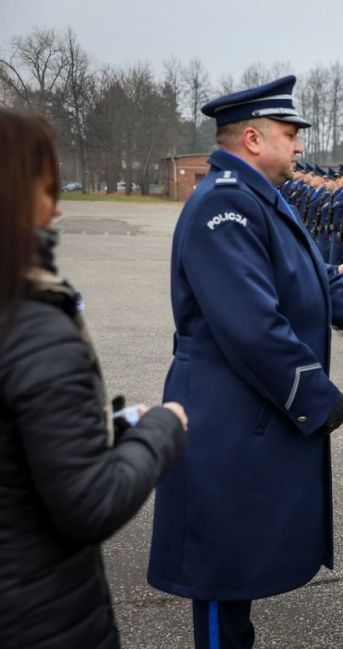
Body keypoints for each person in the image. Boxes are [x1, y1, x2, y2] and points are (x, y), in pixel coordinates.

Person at [146, 76, 343, 649]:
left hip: (246, 411)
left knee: (236, 563)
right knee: (218, 572)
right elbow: (251, 325)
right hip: (225, 415)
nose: (300, 146)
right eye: (291, 134)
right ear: (254, 138)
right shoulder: (226, 206)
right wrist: (314, 395)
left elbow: (316, 283)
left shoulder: (258, 197)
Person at [0, 108, 189, 649]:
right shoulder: (30, 325)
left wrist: (91, 433)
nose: (56, 204)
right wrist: (160, 428)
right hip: (37, 616)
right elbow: (90, 503)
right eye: (46, 184)